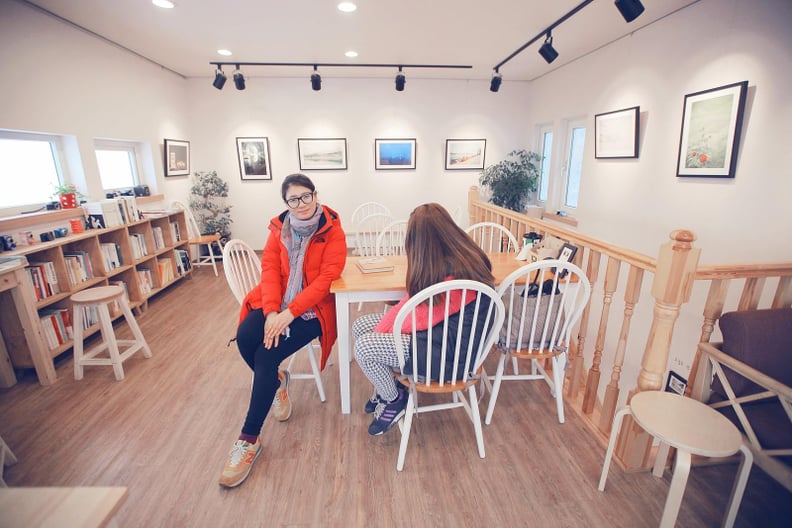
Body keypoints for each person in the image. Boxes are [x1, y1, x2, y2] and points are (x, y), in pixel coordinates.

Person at [219, 173, 346, 488]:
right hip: (276, 302)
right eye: (293, 199)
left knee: (265, 356)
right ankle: (277, 382)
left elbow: (325, 280)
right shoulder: (278, 229)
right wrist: (273, 311)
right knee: (247, 337)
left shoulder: (333, 230)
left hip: (312, 311)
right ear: (286, 202)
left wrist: (289, 314)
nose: (301, 204)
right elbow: (270, 270)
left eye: (306, 196)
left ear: (316, 195)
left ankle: (249, 440)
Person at [352, 203, 495, 436]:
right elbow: (417, 307)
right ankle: (388, 384)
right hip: (440, 336)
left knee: (365, 347)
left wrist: (381, 331)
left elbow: (415, 317)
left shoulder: (457, 278)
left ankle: (394, 399)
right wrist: (383, 327)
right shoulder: (454, 261)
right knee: (361, 326)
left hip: (451, 355)